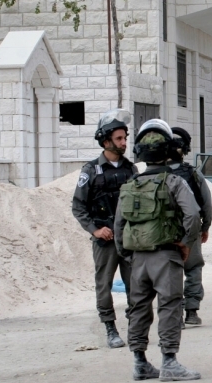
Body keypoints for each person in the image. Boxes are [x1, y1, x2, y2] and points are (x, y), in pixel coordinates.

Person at [114, 119, 202, 382]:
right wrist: (185, 243)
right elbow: (193, 215)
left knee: (138, 308)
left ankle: (140, 363)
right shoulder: (174, 182)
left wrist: (128, 255)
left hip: (137, 258)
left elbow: (119, 225)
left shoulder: (129, 185)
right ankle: (169, 362)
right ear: (168, 151)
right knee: (170, 305)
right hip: (166, 254)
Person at [72, 109, 137, 349]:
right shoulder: (90, 171)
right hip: (105, 239)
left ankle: (136, 327)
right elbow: (78, 206)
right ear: (105, 141)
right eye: (119, 138)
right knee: (104, 284)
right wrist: (95, 230)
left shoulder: (131, 170)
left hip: (129, 239)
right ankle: (110, 328)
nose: (124, 142)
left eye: (125, 138)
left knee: (136, 285)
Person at [168, 127, 212, 328]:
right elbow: (206, 204)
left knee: (170, 271)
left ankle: (175, 315)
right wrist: (206, 226)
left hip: (165, 232)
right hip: (191, 229)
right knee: (193, 268)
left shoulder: (157, 175)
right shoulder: (193, 174)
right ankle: (192, 313)